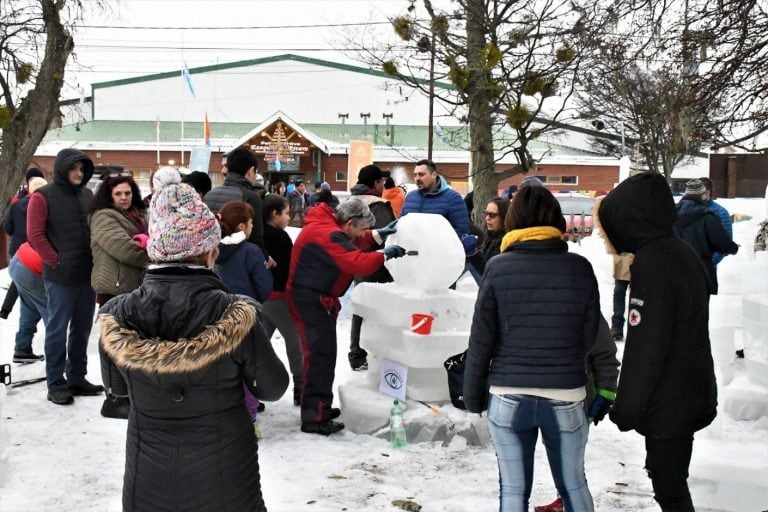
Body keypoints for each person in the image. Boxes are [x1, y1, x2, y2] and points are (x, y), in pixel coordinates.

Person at [99, 180, 288, 512]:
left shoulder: (118, 313)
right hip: (226, 471)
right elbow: (272, 388)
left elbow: (117, 388)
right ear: (208, 251)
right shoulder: (236, 313)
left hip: (149, 472)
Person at [463, 184, 600, 512]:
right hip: (565, 394)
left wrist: (472, 396)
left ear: (514, 221)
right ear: (557, 220)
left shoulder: (497, 267)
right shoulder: (580, 269)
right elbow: (590, 335)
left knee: (512, 491)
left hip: (507, 395)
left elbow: (482, 339)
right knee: (574, 484)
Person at [597, 172, 717, 511]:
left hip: (670, 401)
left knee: (669, 488)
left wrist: (627, 408)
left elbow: (646, 346)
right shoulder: (680, 251)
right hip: (690, 388)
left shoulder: (653, 263)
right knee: (672, 481)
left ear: (631, 218)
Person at [286, 200, 405, 436]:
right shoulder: (326, 233)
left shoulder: (330, 225)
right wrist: (385, 255)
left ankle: (320, 407)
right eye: (361, 228)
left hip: (316, 297)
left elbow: (352, 240)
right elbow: (358, 262)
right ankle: (314, 417)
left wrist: (378, 235)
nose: (362, 234)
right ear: (349, 223)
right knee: (319, 355)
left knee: (324, 354)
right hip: (309, 299)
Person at [27, 148, 104, 405]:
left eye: (82, 169)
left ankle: (76, 378)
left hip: (86, 274)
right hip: (60, 277)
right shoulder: (42, 197)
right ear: (62, 169)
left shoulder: (86, 194)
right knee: (57, 331)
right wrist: (57, 261)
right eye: (73, 168)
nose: (78, 174)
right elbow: (35, 235)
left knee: (82, 330)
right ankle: (56, 383)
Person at [535, 316, 620, 512]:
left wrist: (606, 391)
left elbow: (605, 353)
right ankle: (564, 498)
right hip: (542, 395)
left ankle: (571, 499)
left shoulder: (585, 305)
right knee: (556, 452)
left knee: (571, 466)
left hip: (578, 397)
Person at [89, 173, 149, 418]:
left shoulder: (133, 215)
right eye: (118, 194)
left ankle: (125, 393)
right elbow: (124, 249)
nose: (124, 198)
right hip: (113, 288)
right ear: (109, 196)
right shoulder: (103, 217)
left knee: (126, 344)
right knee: (112, 345)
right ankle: (114, 398)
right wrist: (155, 252)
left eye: (127, 193)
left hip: (129, 286)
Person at [347, 164, 397, 371]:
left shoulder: (350, 202)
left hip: (355, 262)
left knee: (360, 309)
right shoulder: (378, 205)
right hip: (376, 264)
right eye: (381, 182)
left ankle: (356, 353)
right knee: (380, 309)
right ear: (375, 183)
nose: (383, 186)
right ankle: (374, 354)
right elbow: (388, 235)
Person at [261, 194, 304, 406]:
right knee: (294, 339)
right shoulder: (279, 236)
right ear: (275, 214)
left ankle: (250, 388)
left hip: (263, 297)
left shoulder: (257, 234)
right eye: (286, 213)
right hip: (279, 296)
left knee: (259, 343)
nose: (289, 218)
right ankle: (300, 387)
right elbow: (291, 268)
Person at [6, 177, 48, 363]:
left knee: (29, 306)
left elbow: (8, 227)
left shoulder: (17, 204)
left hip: (19, 257)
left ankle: (22, 349)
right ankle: (61, 359)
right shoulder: (48, 208)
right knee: (52, 310)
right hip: (32, 265)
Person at [674, 178, 738, 294]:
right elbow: (723, 243)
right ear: (703, 194)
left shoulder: (671, 213)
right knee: (698, 309)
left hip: (676, 271)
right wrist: (706, 263)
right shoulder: (709, 216)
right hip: (701, 272)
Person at [1, 169, 47, 319]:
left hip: (17, 247)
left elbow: (7, 226)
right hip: (34, 247)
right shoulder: (46, 203)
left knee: (19, 279)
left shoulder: (17, 202)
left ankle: (6, 309)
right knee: (25, 280)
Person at [203, 146, 265, 250]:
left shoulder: (209, 194)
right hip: (238, 258)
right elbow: (256, 238)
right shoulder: (251, 197)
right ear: (251, 171)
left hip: (210, 256)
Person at [401, 159, 470, 239]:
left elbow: (461, 231)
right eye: (415, 175)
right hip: (412, 249)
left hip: (440, 250)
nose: (417, 179)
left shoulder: (453, 198)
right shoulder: (410, 197)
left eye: (421, 174)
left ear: (433, 175)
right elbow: (401, 224)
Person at [699, 177, 734, 266]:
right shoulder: (688, 209)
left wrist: (708, 264)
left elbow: (725, 243)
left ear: (708, 193)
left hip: (707, 269)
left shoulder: (721, 213)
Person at [610, 252, 634, 341]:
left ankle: (637, 327)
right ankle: (617, 328)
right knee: (618, 292)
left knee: (637, 297)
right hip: (622, 260)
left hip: (639, 259)